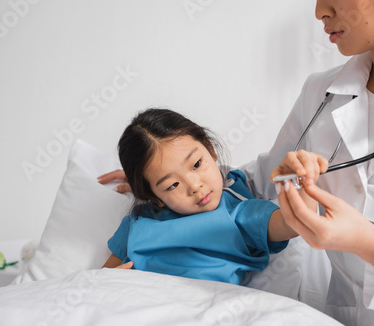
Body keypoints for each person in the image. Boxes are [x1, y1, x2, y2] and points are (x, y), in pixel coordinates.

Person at [100, 0, 374, 326]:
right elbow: (260, 180)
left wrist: (369, 243)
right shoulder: (321, 94)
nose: (319, 11)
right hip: (341, 322)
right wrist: (161, 178)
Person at [101, 108, 303, 285]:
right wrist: (107, 286)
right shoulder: (138, 220)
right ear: (154, 196)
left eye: (197, 164)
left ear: (210, 149)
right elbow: (102, 278)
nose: (195, 186)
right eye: (172, 185)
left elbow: (293, 223)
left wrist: (304, 180)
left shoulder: (237, 213)